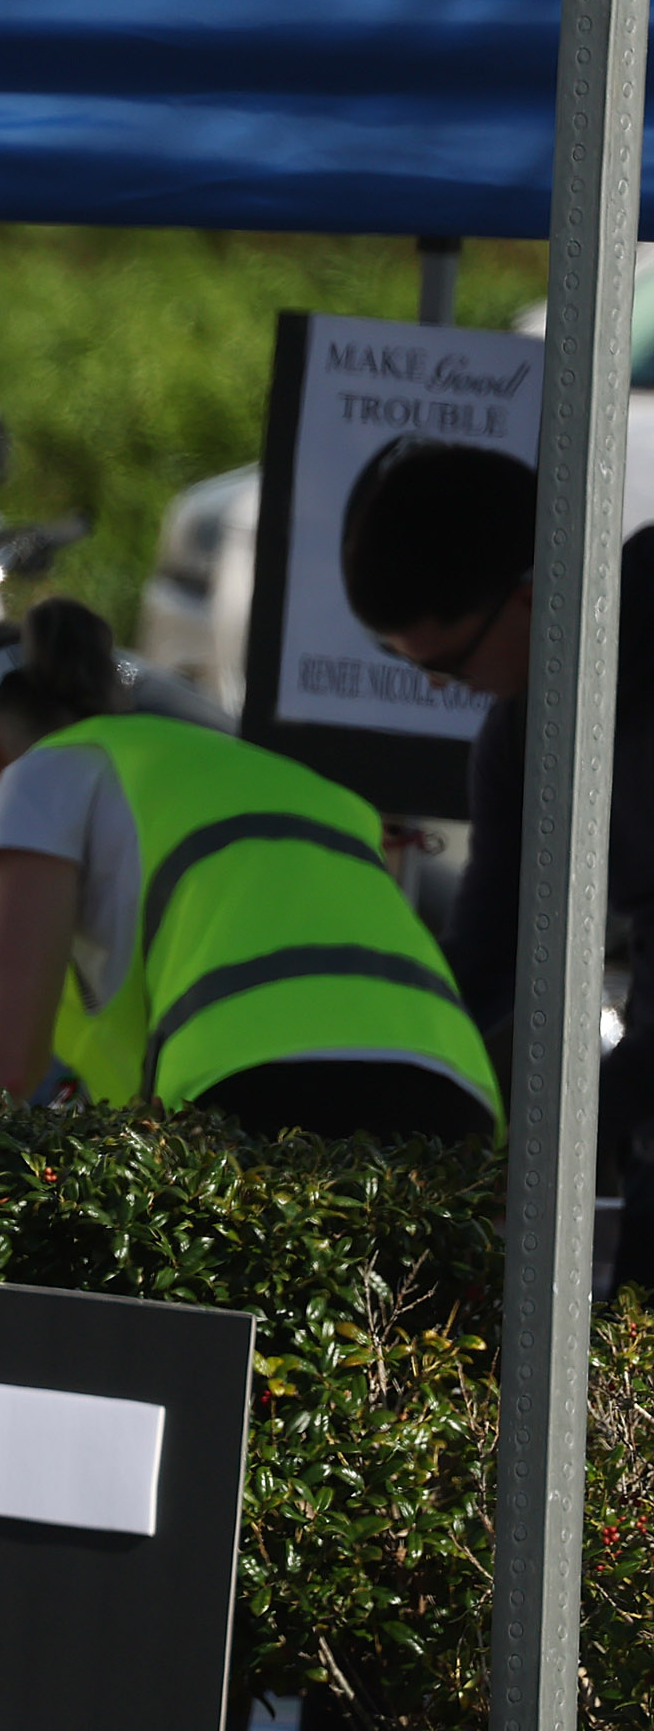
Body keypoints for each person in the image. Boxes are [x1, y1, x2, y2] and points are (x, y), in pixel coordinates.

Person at [0, 597, 496, 1140]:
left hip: (261, 1084)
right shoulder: (276, 774)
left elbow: (2, 1065)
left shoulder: (38, 774)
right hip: (455, 1088)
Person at [341, 434, 654, 1270]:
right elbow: (485, 957)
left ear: (528, 597)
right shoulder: (520, 735)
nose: (444, 688)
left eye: (448, 661)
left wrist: (588, 1121)